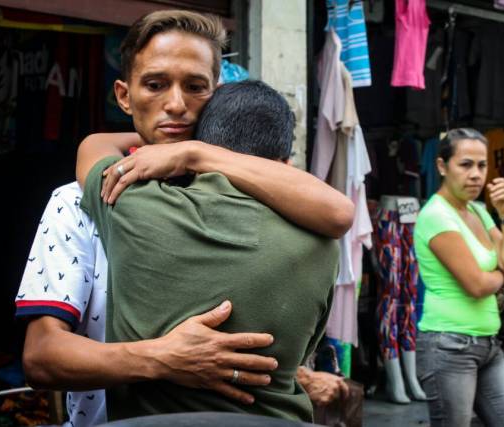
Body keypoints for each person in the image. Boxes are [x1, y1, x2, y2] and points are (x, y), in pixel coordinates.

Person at [16, 10, 353, 427]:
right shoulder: (79, 201)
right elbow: (41, 358)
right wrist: (164, 357)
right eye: (155, 85)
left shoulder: (281, 203)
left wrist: (197, 153)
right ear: (124, 96)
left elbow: (337, 213)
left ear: (217, 94)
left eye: (195, 87)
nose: (175, 105)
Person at [78, 80, 339, 422]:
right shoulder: (322, 245)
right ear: (285, 163)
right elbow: (305, 349)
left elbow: (93, 146)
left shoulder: (131, 203)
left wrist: (182, 148)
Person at [413, 128, 504, 427]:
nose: (476, 174)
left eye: (481, 165)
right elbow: (476, 285)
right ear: (442, 166)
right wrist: (500, 277)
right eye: (465, 164)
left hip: (488, 343)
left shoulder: (478, 211)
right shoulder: (436, 215)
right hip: (449, 346)